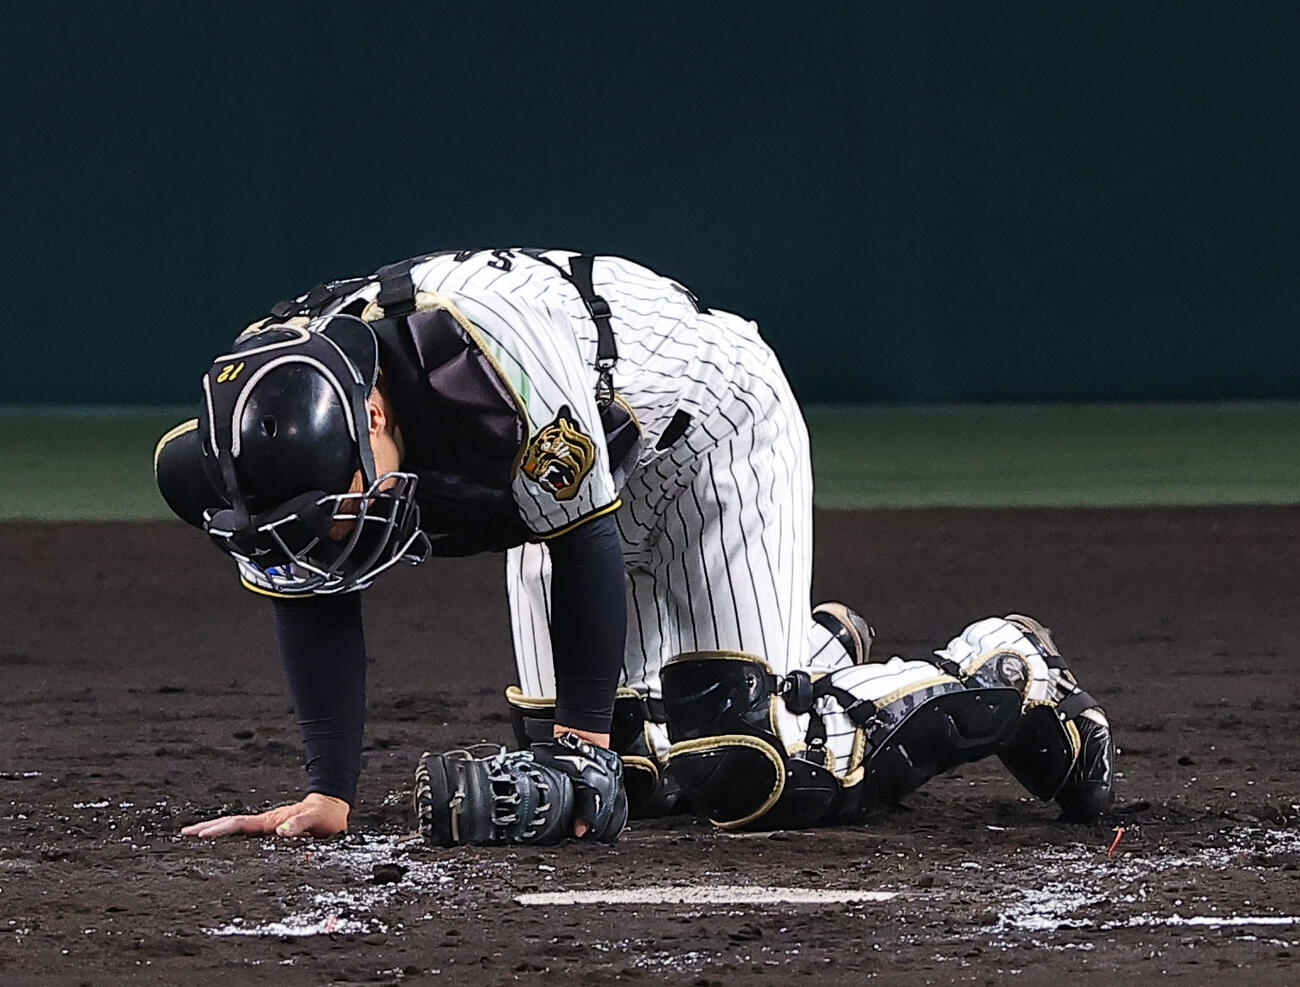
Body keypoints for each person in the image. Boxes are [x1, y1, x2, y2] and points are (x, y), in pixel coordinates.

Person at [155, 247, 1115, 845]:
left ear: (371, 410)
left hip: (709, 431)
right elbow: (312, 582)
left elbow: (584, 543)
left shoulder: (487, 362)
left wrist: (577, 753)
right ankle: (805, 650)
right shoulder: (250, 431)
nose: (332, 529)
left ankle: (1003, 671)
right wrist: (329, 791)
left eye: (336, 504)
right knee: (635, 774)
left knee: (747, 763)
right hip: (556, 481)